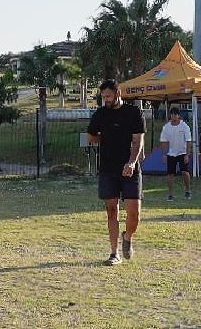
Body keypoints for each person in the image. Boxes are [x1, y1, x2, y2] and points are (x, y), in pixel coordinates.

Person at [88, 79, 146, 266]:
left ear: (118, 94)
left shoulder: (134, 113)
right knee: (112, 211)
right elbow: (91, 135)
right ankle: (114, 253)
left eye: (108, 96)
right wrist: (103, 140)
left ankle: (127, 237)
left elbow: (138, 141)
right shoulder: (100, 114)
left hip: (129, 168)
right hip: (107, 168)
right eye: (103, 96)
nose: (105, 100)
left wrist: (131, 162)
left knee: (134, 214)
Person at [160, 107, 192, 201]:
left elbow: (188, 141)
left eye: (175, 114)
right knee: (170, 174)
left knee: (185, 172)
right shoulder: (167, 127)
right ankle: (170, 194)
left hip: (182, 152)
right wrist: (164, 154)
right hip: (171, 153)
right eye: (172, 114)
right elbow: (164, 141)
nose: (173, 116)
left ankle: (188, 191)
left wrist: (187, 154)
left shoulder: (184, 126)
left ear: (179, 115)